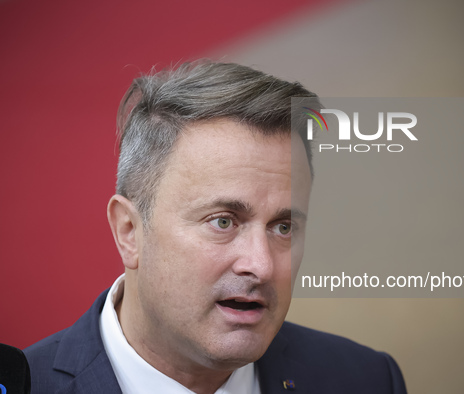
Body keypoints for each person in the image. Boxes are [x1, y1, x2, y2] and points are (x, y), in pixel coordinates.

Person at [24, 61, 407, 394]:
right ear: (129, 231)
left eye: (283, 227)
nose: (262, 266)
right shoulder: (28, 384)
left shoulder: (366, 380)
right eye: (223, 221)